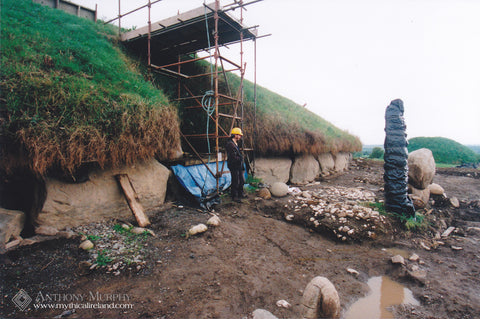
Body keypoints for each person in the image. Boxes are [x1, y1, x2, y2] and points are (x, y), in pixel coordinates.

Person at [225, 127, 246, 202]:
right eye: (239, 135)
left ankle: (240, 193)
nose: (240, 136)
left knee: (241, 180)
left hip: (238, 164)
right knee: (235, 180)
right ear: (235, 135)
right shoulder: (230, 144)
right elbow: (233, 156)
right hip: (233, 165)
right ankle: (234, 196)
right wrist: (240, 158)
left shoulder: (235, 143)